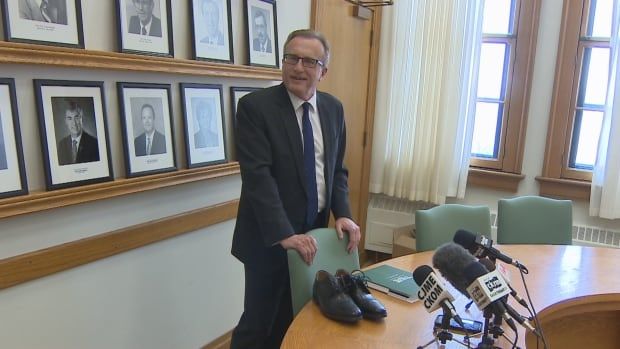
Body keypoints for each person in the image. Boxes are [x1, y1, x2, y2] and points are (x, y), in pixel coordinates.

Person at [230, 29, 361, 349]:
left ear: (323, 71)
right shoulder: (255, 108)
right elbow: (257, 176)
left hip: (313, 233)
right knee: (258, 325)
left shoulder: (333, 109)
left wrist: (342, 213)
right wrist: (283, 233)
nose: (298, 67)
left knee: (298, 318)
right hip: (269, 237)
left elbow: (336, 170)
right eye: (291, 58)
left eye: (308, 61)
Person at [57, 100, 99, 166]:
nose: (74, 123)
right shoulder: (62, 145)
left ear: (82, 118)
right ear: (66, 121)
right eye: (70, 118)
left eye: (76, 117)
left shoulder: (94, 144)